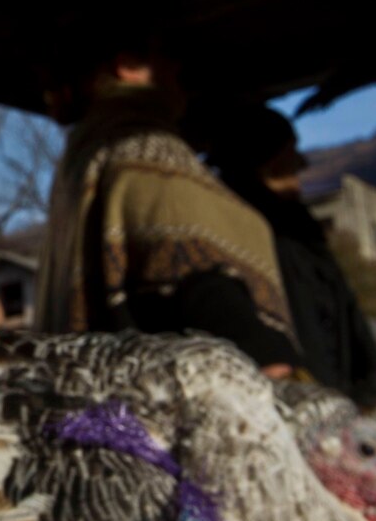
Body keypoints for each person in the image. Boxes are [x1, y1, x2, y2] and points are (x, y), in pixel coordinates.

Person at [34, 34, 302, 378]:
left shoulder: (84, 159)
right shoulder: (144, 148)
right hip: (184, 402)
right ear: (128, 66)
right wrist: (262, 349)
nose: (177, 69)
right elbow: (195, 275)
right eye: (167, 56)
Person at [205, 105, 376, 406]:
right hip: (303, 402)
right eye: (290, 152)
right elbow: (310, 325)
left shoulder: (298, 231)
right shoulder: (259, 235)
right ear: (265, 161)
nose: (301, 163)